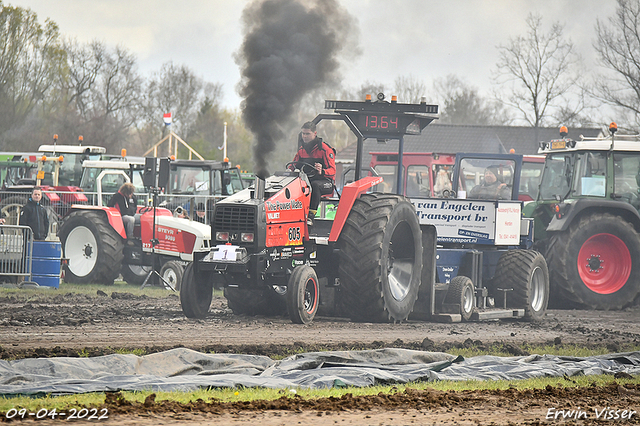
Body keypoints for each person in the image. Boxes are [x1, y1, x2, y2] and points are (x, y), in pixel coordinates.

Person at [290, 121, 336, 226]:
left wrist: (322, 171)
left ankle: (310, 216)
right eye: (303, 133)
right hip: (307, 182)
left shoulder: (325, 150)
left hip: (326, 183)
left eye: (307, 134)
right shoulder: (301, 150)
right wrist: (288, 171)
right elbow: (293, 165)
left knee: (314, 185)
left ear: (315, 133)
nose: (304, 136)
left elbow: (333, 171)